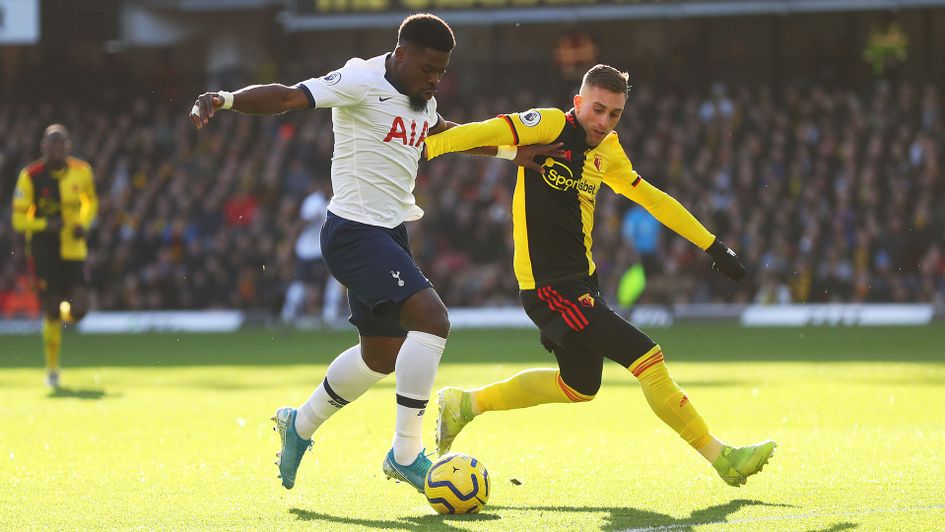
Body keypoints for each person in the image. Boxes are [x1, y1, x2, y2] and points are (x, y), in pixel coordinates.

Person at [189, 13, 557, 493]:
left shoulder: (423, 97)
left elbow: (442, 133)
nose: (434, 78)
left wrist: (511, 154)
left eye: (441, 71)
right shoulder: (360, 79)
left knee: (381, 356)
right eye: (427, 68)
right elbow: (288, 96)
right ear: (400, 54)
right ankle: (405, 454)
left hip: (390, 233)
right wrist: (227, 98)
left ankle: (298, 425)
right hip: (353, 232)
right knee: (433, 320)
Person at [425, 65, 776, 487]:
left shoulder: (608, 151)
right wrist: (427, 146)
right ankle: (721, 458)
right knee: (648, 358)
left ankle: (464, 404)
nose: (604, 122)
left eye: (614, 114)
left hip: (581, 284)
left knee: (579, 386)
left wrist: (713, 245)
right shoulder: (549, 125)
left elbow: (654, 200)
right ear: (578, 103)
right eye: (597, 110)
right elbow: (484, 131)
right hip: (550, 287)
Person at [11, 124, 98, 388]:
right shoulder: (30, 176)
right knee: (49, 311)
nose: (57, 149)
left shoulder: (83, 171)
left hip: (73, 247)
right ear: (44, 147)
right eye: (52, 144)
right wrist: (44, 225)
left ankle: (65, 311)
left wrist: (84, 222)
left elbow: (91, 201)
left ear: (68, 147)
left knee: (81, 308)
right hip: (43, 250)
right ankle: (52, 369)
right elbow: (17, 219)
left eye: (61, 144)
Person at [280, 183, 345, 326]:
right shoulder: (314, 201)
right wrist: (289, 246)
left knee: (332, 279)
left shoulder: (337, 201)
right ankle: (288, 315)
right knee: (303, 283)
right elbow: (301, 223)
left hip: (322, 250)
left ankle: (329, 314)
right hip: (308, 251)